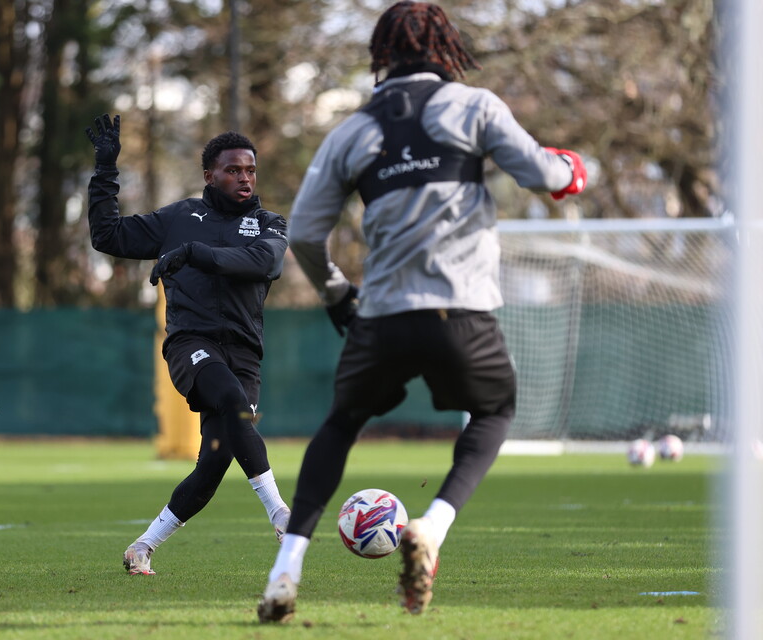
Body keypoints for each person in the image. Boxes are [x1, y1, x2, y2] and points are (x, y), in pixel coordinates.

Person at [257, 1, 586, 623]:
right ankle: (431, 528)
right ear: (446, 49)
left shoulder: (351, 131)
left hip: (380, 316)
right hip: (462, 313)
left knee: (341, 424)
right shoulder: (475, 106)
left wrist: (336, 293)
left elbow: (303, 234)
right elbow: (545, 175)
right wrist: (571, 169)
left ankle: (285, 569)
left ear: (381, 55)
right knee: (495, 411)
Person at [85, 114, 291, 576]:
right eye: (233, 170)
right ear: (209, 175)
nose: (245, 178)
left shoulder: (269, 223)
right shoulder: (179, 218)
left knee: (213, 465)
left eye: (250, 170)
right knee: (231, 401)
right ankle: (281, 513)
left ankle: (142, 546)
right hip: (191, 344)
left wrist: (198, 254)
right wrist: (105, 171)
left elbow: (265, 264)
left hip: (244, 354)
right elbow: (107, 236)